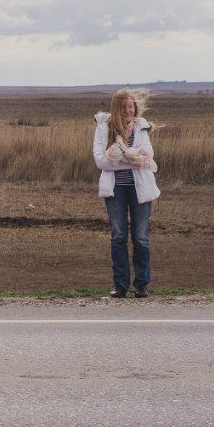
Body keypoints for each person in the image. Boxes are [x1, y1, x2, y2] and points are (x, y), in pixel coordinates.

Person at [92, 88, 160, 299]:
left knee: (140, 237)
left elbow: (147, 157)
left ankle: (141, 285)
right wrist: (131, 159)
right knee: (118, 236)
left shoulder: (141, 126)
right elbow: (101, 161)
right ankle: (120, 285)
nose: (128, 111)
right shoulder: (104, 128)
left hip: (139, 189)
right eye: (124, 107)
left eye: (131, 106)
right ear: (116, 109)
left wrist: (120, 156)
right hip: (116, 190)